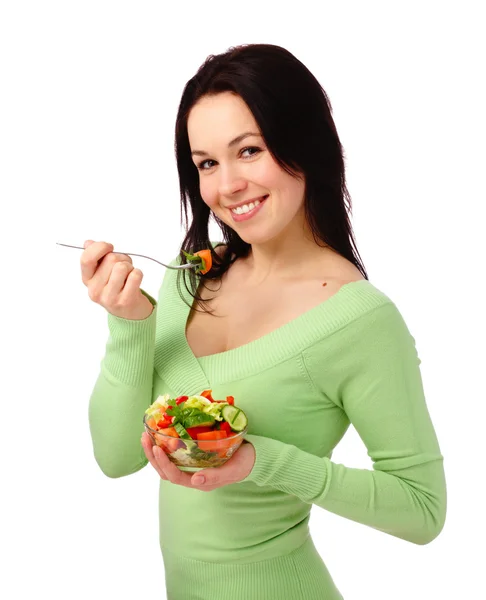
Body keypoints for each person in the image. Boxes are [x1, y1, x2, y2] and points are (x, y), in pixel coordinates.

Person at [83, 43, 447, 600]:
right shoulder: (188, 280)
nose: (226, 186)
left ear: (305, 145)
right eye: (206, 163)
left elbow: (423, 511)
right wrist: (128, 325)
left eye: (248, 151)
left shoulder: (360, 320)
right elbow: (116, 457)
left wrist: (262, 461)